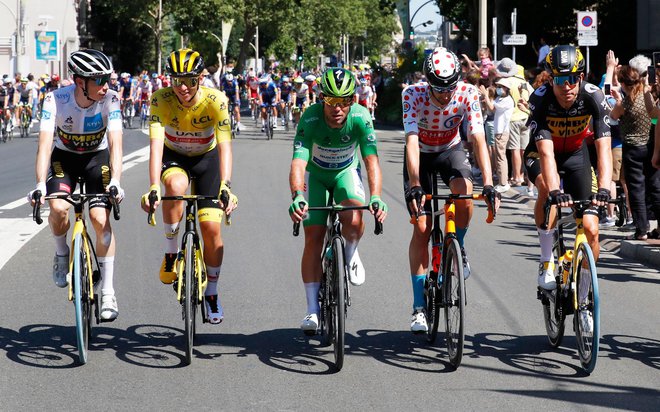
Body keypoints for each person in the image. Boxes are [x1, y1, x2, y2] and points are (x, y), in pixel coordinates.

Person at [402, 47, 499, 333]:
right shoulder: (413, 94)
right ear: (428, 81)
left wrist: (491, 184)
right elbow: (410, 140)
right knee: (422, 226)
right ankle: (419, 306)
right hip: (420, 154)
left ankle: (458, 246)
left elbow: (479, 140)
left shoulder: (467, 92)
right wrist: (416, 184)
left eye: (449, 88)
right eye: (438, 89)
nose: (445, 95)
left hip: (449, 150)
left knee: (466, 195)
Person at [140, 48, 238, 324]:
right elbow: (156, 145)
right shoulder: (160, 99)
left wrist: (226, 185)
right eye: (176, 80)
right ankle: (172, 252)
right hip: (175, 156)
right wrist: (152, 186)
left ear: (201, 78)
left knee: (211, 228)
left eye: (190, 81)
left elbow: (225, 146)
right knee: (175, 185)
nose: (183, 87)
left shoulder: (216, 100)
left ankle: (212, 294)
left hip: (207, 159)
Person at [288, 67, 388, 333]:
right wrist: (297, 194)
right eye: (331, 101)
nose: (338, 108)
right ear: (322, 98)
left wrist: (376, 196)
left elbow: (371, 161)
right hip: (317, 177)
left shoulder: (361, 117)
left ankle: (351, 252)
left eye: (345, 101)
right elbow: (298, 163)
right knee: (314, 237)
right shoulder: (309, 119)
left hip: (345, 173)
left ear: (353, 101)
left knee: (355, 217)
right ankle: (312, 310)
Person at [27, 49, 124, 320]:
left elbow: (116, 142)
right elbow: (45, 145)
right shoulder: (55, 100)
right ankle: (61, 253)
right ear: (80, 81)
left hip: (97, 159)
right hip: (65, 159)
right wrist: (39, 184)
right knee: (57, 208)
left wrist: (116, 180)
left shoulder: (111, 99)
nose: (105, 86)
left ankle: (107, 291)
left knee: (99, 218)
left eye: (107, 79)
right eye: (99, 80)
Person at [523, 45, 612, 290]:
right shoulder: (540, 99)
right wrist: (554, 190)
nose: (567, 86)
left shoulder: (593, 97)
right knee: (544, 187)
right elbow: (545, 152)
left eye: (573, 79)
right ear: (551, 79)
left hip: (576, 155)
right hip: (541, 154)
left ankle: (584, 295)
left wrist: (604, 188)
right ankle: (546, 261)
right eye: (560, 80)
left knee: (592, 229)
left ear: (581, 77)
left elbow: (604, 148)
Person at [481, 77, 515, 192]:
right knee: (499, 156)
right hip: (498, 130)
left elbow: (491, 107)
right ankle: (502, 181)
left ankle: (503, 183)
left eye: (500, 87)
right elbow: (491, 109)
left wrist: (486, 94)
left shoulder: (507, 100)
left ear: (506, 88)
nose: (498, 89)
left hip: (502, 131)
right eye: (498, 86)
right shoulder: (500, 98)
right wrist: (485, 98)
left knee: (501, 157)